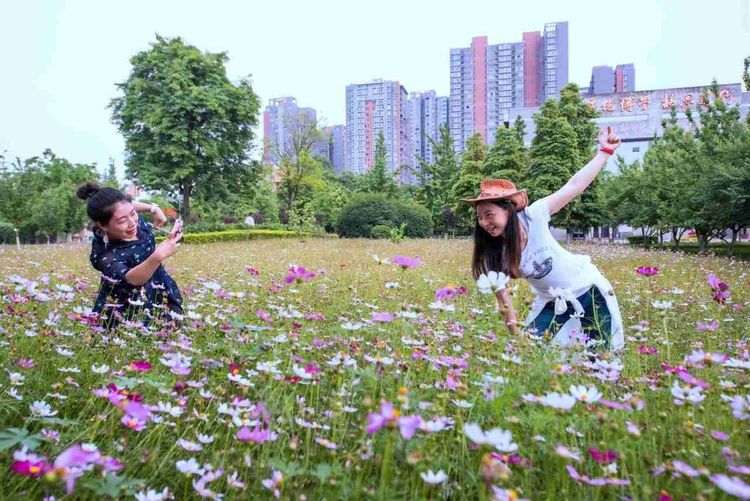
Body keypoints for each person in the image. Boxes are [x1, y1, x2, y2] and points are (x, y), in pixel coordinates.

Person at [460, 127, 624, 350]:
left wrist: (604, 151)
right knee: (531, 351)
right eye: (479, 217)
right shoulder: (493, 254)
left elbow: (574, 186)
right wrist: (516, 337)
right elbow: (503, 301)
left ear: (508, 210)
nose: (484, 223)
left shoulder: (534, 215)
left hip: (588, 288)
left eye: (490, 215)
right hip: (551, 301)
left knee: (600, 355)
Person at [76, 181, 183, 328]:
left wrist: (153, 208)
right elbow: (131, 279)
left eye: (132, 213)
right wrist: (158, 256)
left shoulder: (130, 220)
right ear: (102, 225)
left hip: (159, 289)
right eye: (121, 220)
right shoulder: (106, 255)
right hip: (129, 309)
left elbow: (127, 206)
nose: (132, 223)